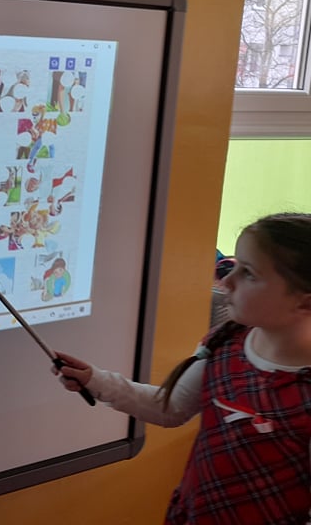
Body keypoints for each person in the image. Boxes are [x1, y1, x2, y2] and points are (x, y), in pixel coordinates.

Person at [55, 212, 311, 524]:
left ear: (304, 303)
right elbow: (171, 408)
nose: (226, 280)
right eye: (234, 266)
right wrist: (95, 380)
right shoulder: (225, 342)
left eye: (249, 274)